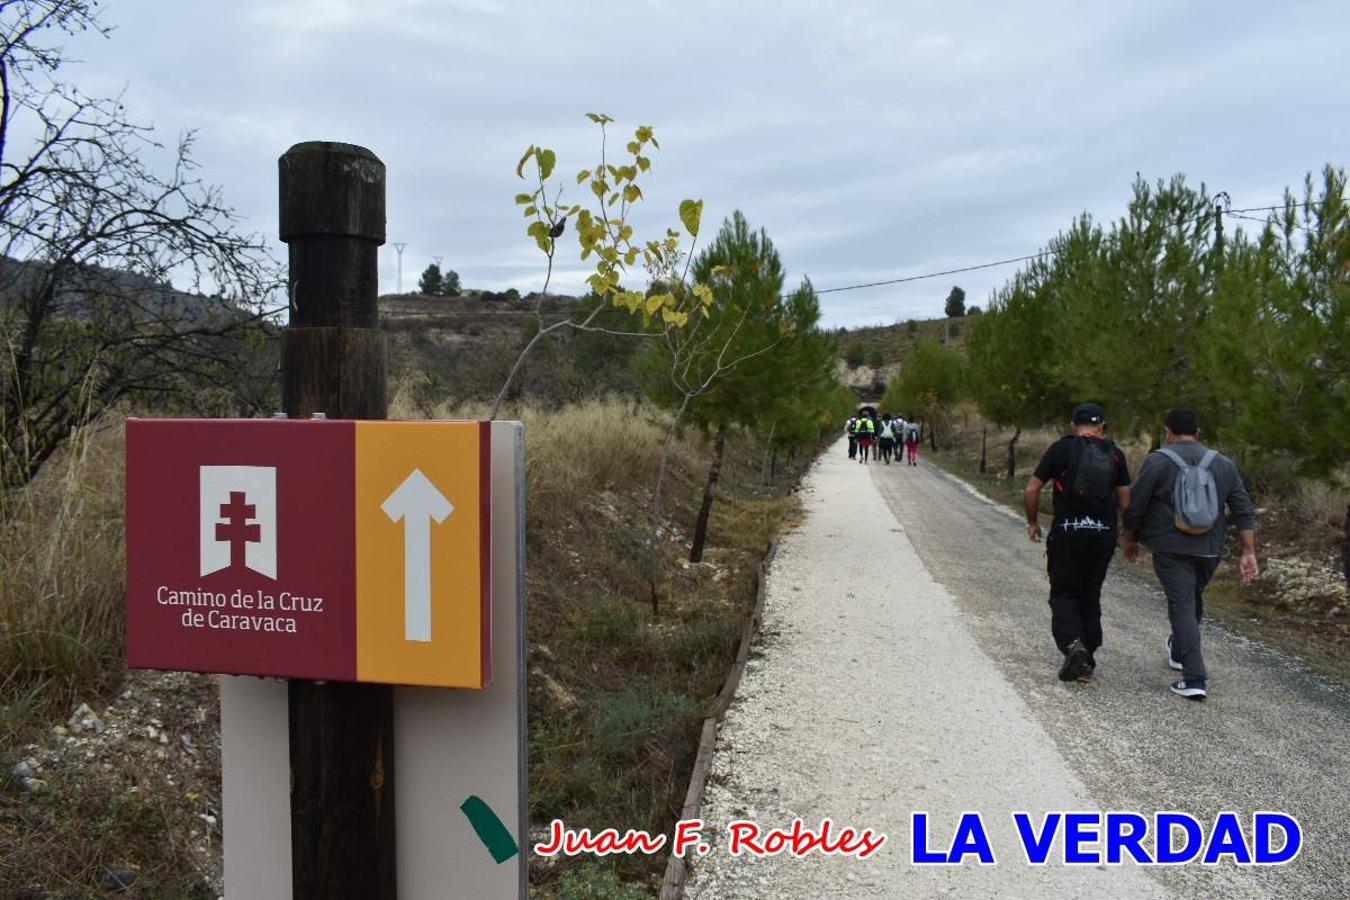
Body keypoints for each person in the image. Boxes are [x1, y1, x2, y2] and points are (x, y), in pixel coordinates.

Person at [1122, 408, 1259, 701]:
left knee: (1182, 604)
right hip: (1210, 548)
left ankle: (1194, 677)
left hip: (1171, 548)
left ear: (1168, 432)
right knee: (1191, 598)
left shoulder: (1158, 461)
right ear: (1198, 433)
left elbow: (1137, 504)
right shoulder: (1223, 464)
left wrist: (1130, 537)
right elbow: (1243, 508)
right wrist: (1248, 550)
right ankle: (1179, 649)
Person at [1024, 402, 1131, 683]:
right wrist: (1127, 535)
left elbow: (1032, 488)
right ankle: (1088, 658)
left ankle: (1073, 645)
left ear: (1073, 425)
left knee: (1063, 592)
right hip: (1102, 536)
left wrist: (1033, 522)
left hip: (1067, 534)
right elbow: (1125, 502)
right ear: (1102, 426)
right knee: (1090, 592)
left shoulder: (1060, 449)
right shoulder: (1115, 455)